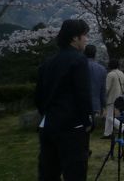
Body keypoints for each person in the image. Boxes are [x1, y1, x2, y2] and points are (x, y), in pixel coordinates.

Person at [35, 19, 92, 181]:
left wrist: (46, 113)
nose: (86, 39)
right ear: (75, 38)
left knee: (48, 172)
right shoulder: (78, 60)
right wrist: (87, 121)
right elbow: (82, 94)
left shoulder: (48, 62)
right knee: (75, 172)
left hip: (48, 124)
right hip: (72, 127)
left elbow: (38, 96)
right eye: (85, 35)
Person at [84, 44, 107, 128]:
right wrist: (103, 105)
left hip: (80, 103)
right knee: (90, 127)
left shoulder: (79, 66)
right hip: (95, 104)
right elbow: (103, 90)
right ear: (95, 54)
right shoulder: (102, 69)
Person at [103, 58, 124, 138]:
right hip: (119, 97)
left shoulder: (110, 74)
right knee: (110, 115)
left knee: (109, 116)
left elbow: (107, 88)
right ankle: (107, 133)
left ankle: (122, 127)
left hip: (111, 98)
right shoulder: (121, 73)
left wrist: (103, 97)